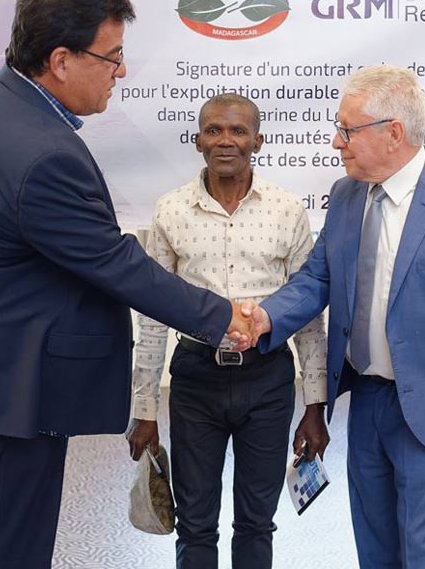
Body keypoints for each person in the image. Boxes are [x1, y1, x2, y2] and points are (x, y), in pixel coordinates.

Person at [0, 0, 254, 569]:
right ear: (61, 61)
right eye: (112, 57)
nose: (122, 71)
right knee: (8, 553)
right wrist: (223, 317)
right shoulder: (43, 154)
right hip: (5, 386)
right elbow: (114, 263)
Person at [241, 65, 425, 568]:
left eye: (347, 130)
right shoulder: (347, 195)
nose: (337, 142)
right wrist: (265, 317)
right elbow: (317, 278)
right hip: (368, 403)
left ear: (394, 132)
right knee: (375, 547)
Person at [126, 93, 329, 569]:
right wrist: (145, 410)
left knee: (257, 523)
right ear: (197, 141)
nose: (225, 140)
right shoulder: (171, 210)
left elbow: (306, 315)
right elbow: (152, 316)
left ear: (258, 141)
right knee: (195, 524)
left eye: (238, 131)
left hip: (268, 380)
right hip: (196, 380)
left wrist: (315, 406)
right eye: (213, 130)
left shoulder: (286, 210)